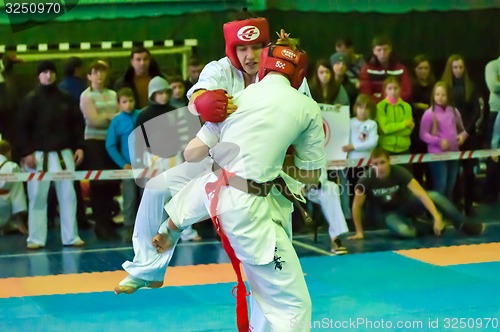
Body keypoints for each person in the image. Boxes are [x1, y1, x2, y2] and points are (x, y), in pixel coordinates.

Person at [153, 31, 323, 331]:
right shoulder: (304, 105)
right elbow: (310, 174)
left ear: (265, 65)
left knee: (266, 290)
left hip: (236, 192)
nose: (249, 56)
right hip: (255, 205)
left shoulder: (237, 99)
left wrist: (212, 122)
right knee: (292, 304)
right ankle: (175, 223)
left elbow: (192, 153)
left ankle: (173, 223)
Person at [348, 146, 484, 240]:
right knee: (405, 232)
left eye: (382, 163)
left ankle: (461, 223)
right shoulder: (365, 179)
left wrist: (437, 217)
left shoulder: (399, 172)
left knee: (435, 196)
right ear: (371, 165)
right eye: (376, 164)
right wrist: (359, 232)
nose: (380, 167)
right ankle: (428, 228)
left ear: (389, 162)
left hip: (407, 205)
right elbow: (356, 206)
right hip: (389, 215)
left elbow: (421, 194)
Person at [18, 60, 85, 249]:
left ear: (55, 75)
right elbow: (22, 129)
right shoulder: (30, 100)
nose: (48, 75)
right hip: (38, 156)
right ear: (38, 75)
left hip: (64, 154)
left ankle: (71, 236)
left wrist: (80, 146)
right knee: (37, 197)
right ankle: (35, 238)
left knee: (68, 196)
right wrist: (26, 152)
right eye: (44, 72)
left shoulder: (66, 98)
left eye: (51, 72)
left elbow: (77, 124)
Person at [80, 60, 120, 241]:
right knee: (99, 184)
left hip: (112, 142)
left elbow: (121, 117)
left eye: (102, 72)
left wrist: (106, 117)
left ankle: (109, 221)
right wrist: (111, 118)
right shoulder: (86, 96)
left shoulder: (113, 94)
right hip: (94, 142)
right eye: (95, 72)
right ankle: (100, 224)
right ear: (89, 76)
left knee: (112, 183)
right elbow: (93, 120)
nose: (99, 76)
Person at [419, 81, 468, 199]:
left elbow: (463, 130)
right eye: (437, 94)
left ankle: (447, 211)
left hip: (454, 154)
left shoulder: (454, 111)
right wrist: (438, 141)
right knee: (441, 185)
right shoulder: (429, 113)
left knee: (450, 186)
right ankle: (437, 213)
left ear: (448, 96)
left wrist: (462, 137)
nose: (439, 98)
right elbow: (423, 134)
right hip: (437, 155)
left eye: (443, 95)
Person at [105, 88, 141, 242]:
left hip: (146, 165)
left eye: (131, 101)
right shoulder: (116, 122)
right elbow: (110, 145)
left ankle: (149, 228)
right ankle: (129, 227)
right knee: (130, 197)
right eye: (124, 102)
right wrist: (123, 164)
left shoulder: (141, 115)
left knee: (147, 197)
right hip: (128, 168)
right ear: (118, 104)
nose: (128, 105)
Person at [359, 35, 411, 103]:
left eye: (385, 49)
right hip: (374, 106)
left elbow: (406, 91)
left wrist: (392, 101)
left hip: (396, 105)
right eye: (379, 50)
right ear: (374, 51)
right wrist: (381, 104)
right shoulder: (366, 69)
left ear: (390, 49)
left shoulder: (401, 68)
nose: (382, 53)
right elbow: (365, 92)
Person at [376, 76, 414, 155]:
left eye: (396, 88)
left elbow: (408, 131)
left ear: (400, 89)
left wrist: (390, 131)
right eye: (389, 88)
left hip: (404, 148)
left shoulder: (407, 107)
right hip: (386, 148)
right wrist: (404, 124)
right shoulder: (380, 106)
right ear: (385, 90)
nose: (393, 91)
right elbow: (385, 129)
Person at [0, 140, 28, 235]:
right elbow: (18, 196)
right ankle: (20, 226)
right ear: (8, 152)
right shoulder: (12, 167)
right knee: (16, 193)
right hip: (3, 207)